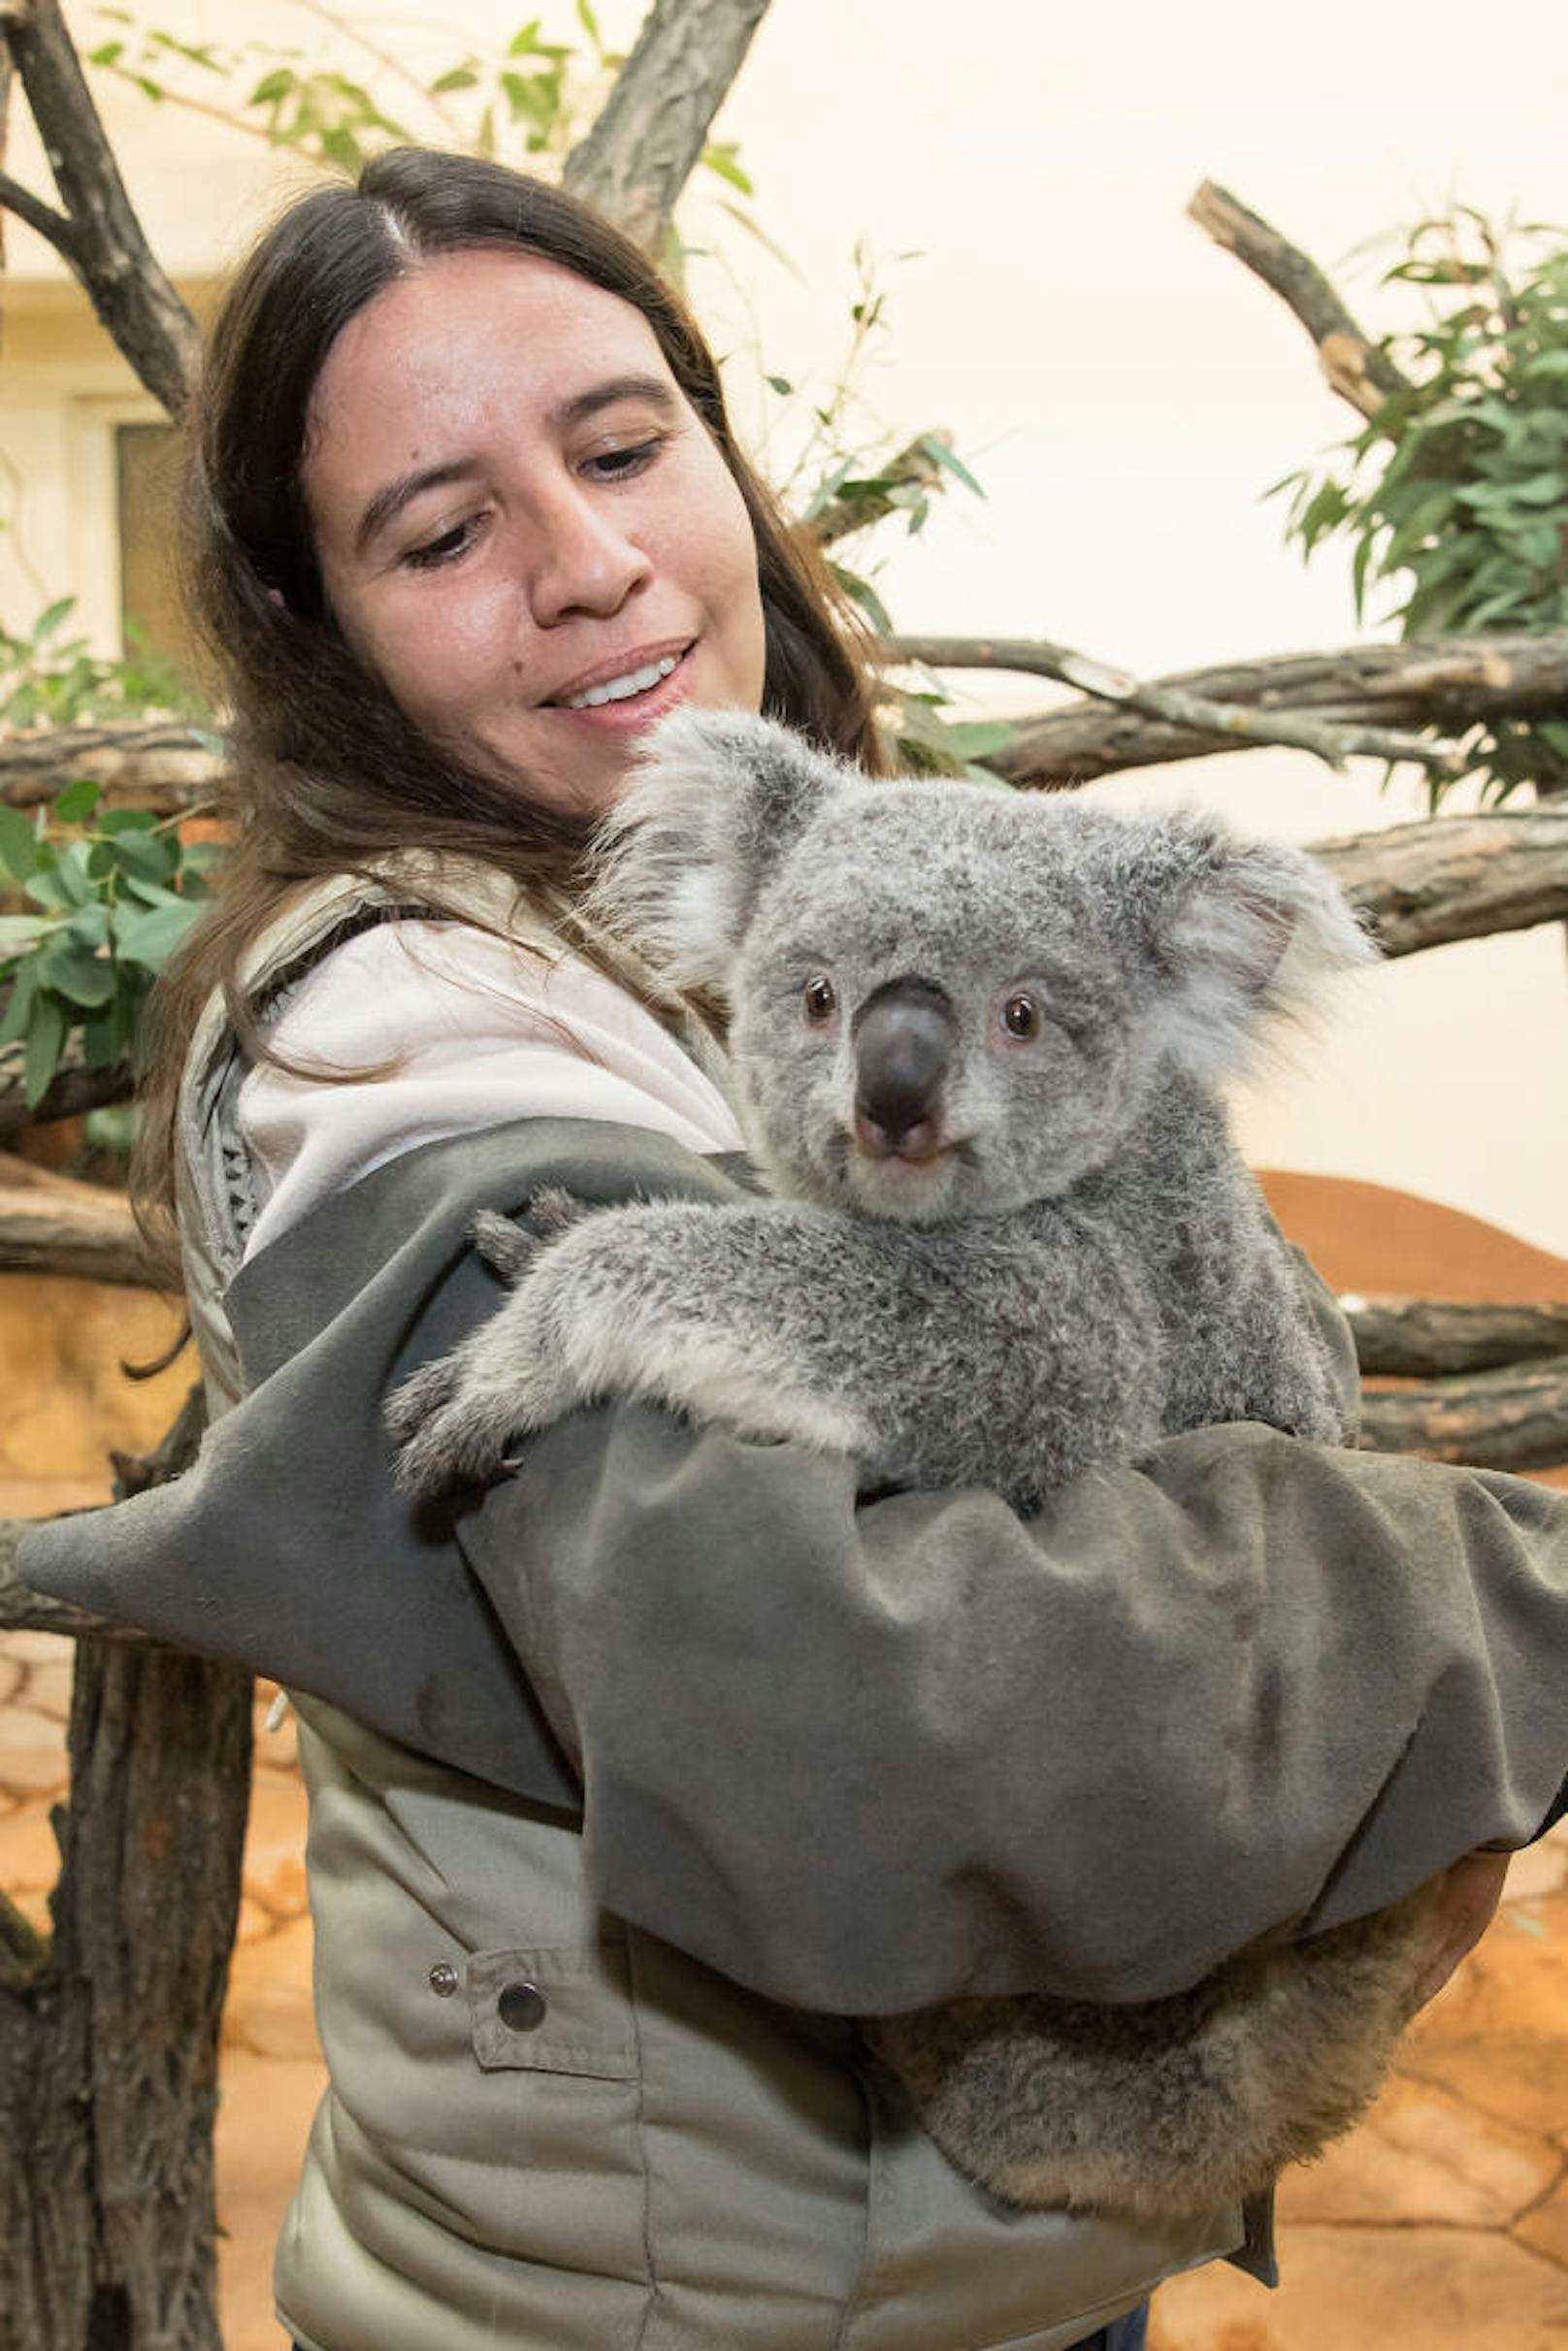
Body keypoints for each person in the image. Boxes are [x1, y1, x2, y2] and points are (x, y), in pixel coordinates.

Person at [18, 147, 1567, 2351]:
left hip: (960, 2260)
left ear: (722, 452)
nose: (589, 564)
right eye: (443, 532)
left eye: (629, 446)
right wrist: (1495, 1605)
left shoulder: (786, 874)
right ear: (315, 622)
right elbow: (899, 1713)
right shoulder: (396, 1043)